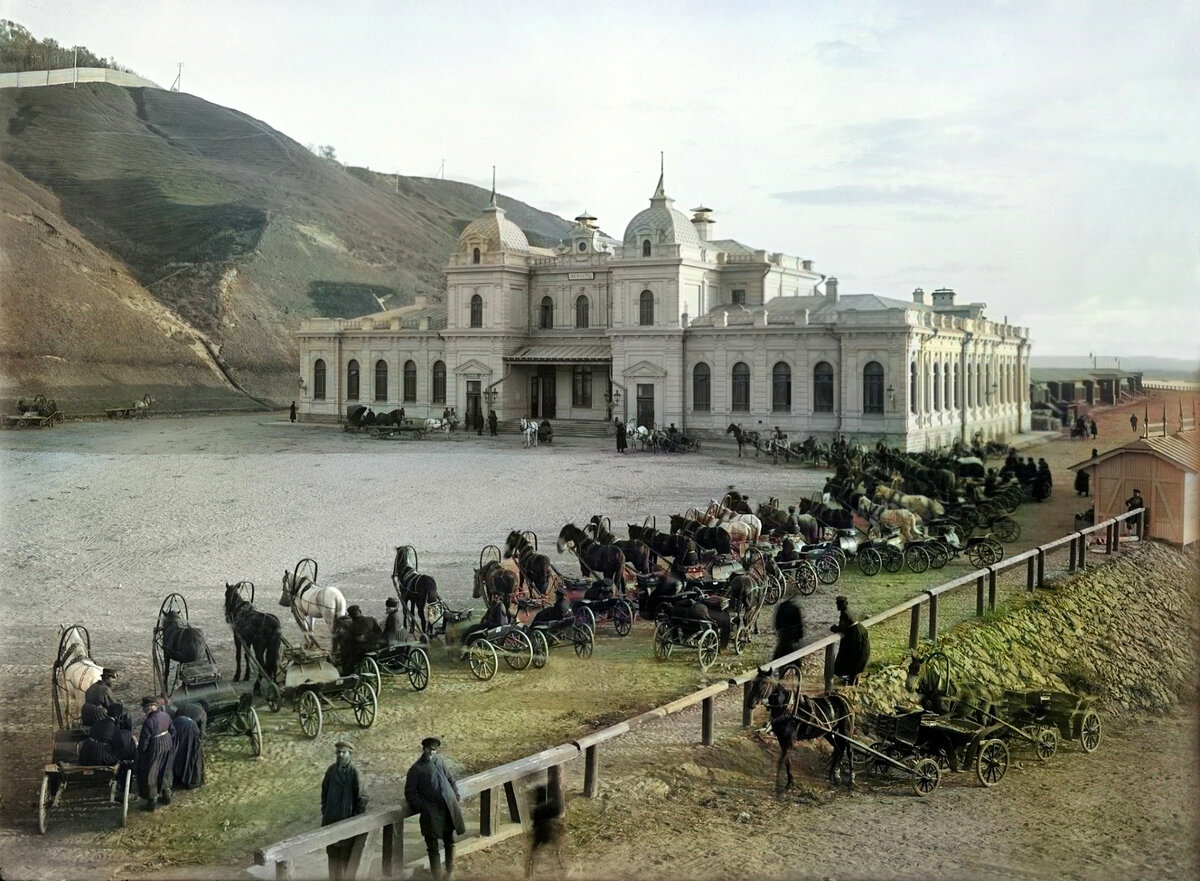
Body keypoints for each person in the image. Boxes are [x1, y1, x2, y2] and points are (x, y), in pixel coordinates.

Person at [406, 737, 465, 881]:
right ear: (424, 749)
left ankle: (450, 872)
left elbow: (450, 779)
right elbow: (410, 793)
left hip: (447, 809)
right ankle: (437, 877)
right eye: (429, 749)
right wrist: (423, 807)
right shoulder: (416, 769)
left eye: (434, 750)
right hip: (431, 813)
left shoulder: (440, 761)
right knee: (432, 847)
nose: (432, 752)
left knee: (449, 841)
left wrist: (455, 794)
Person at [321, 741, 368, 881]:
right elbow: (324, 791)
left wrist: (354, 819)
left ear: (350, 754)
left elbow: (363, 798)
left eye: (344, 752)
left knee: (345, 857)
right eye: (338, 752)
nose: (340, 755)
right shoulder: (331, 771)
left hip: (346, 822)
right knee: (332, 855)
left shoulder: (354, 773)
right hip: (330, 821)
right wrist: (325, 809)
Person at [135, 696, 175, 811]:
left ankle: (152, 802)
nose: (144, 710)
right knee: (166, 769)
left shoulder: (149, 722)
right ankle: (167, 796)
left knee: (151, 773)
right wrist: (167, 741)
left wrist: (141, 754)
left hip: (155, 748)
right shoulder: (165, 715)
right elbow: (173, 731)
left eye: (145, 708)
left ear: (151, 707)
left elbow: (143, 743)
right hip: (168, 744)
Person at [524, 780, 565, 881]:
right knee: (557, 847)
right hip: (552, 829)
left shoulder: (537, 809)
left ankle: (530, 871)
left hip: (542, 830)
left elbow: (535, 823)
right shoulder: (553, 805)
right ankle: (561, 865)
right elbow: (558, 813)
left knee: (534, 852)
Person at [829, 596, 870, 686]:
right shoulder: (848, 611)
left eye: (839, 604)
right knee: (854, 656)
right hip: (858, 632)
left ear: (844, 604)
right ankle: (853, 677)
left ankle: (851, 677)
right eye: (838, 604)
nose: (838, 606)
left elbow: (842, 628)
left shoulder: (844, 613)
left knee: (851, 655)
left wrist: (834, 628)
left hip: (855, 635)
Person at [170, 711, 205, 789]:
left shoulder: (184, 711)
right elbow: (202, 731)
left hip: (178, 724)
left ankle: (176, 776)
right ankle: (188, 780)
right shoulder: (203, 714)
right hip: (190, 729)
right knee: (190, 754)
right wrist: (201, 741)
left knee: (177, 752)